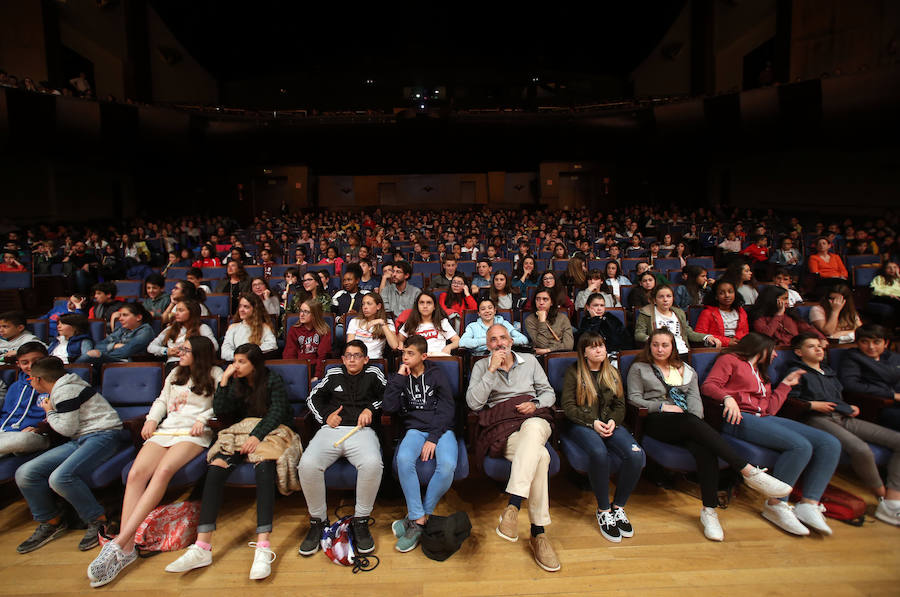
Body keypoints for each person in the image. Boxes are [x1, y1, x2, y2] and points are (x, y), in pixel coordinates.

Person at [626, 329, 792, 541]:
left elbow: (695, 402)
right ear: (649, 346)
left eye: (665, 345)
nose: (659, 349)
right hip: (657, 420)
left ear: (673, 348)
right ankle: (748, 470)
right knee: (692, 424)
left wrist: (694, 423)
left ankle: (709, 511)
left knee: (704, 448)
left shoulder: (685, 370)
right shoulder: (639, 368)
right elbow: (634, 398)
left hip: (687, 423)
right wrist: (660, 406)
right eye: (655, 344)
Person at [86, 337, 223, 587]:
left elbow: (220, 404)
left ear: (200, 354)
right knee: (137, 473)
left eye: (185, 350)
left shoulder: (215, 373)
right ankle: (126, 547)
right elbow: (161, 401)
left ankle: (119, 542)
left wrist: (204, 418)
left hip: (192, 434)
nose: (179, 352)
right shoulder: (175, 372)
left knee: (163, 472)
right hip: (166, 429)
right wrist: (151, 419)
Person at [165, 344, 292, 580]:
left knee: (263, 466)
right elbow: (222, 413)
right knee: (216, 467)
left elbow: (278, 411)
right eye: (234, 361)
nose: (236, 366)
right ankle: (202, 546)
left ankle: (263, 546)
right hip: (240, 432)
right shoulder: (236, 382)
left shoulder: (272, 380)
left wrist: (257, 435)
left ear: (255, 363)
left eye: (241, 362)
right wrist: (223, 381)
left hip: (269, 430)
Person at [701, 333, 842, 536]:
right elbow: (709, 385)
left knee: (829, 443)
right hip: (738, 417)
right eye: (772, 349)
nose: (776, 354)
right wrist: (728, 398)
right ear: (760, 347)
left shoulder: (763, 373)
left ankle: (810, 503)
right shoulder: (729, 360)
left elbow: (770, 410)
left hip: (763, 418)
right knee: (800, 445)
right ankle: (776, 504)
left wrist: (785, 385)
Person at [465, 324, 559, 573]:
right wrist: (491, 372)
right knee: (541, 456)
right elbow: (474, 403)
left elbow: (549, 393)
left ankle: (514, 506)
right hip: (504, 427)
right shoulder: (480, 366)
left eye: (502, 338)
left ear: (511, 340)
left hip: (534, 419)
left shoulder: (529, 361)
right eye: (493, 340)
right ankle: (538, 534)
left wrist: (535, 403)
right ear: (488, 346)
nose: (499, 343)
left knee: (533, 428)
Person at [788, 332, 900, 527]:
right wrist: (811, 405)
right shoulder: (796, 372)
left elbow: (838, 396)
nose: (818, 349)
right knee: (860, 448)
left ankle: (893, 496)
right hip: (816, 418)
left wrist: (848, 406)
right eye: (811, 346)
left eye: (820, 347)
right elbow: (790, 401)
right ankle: (884, 498)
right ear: (799, 352)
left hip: (842, 416)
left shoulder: (828, 371)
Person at [14, 356, 123, 553]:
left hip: (104, 435)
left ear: (38, 379)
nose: (30, 382)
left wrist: (49, 412)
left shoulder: (66, 390)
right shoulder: (62, 387)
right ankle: (51, 521)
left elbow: (65, 427)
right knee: (26, 473)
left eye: (30, 379)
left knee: (60, 478)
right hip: (80, 439)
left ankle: (98, 521)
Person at [298, 340, 386, 557]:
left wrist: (370, 409)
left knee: (373, 463)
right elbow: (312, 398)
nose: (352, 359)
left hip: (361, 431)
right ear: (343, 358)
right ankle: (318, 521)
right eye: (348, 355)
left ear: (366, 359)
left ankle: (361, 520)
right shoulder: (333, 373)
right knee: (307, 465)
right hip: (332, 430)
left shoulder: (374, 373)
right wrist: (325, 417)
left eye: (357, 355)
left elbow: (389, 395)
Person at [561, 332, 644, 542]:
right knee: (599, 453)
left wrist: (613, 421)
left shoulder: (613, 372)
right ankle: (604, 510)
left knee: (636, 455)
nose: (599, 350)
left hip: (610, 424)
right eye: (593, 347)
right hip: (583, 424)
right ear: (584, 352)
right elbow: (568, 407)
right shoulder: (574, 372)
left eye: (601, 346)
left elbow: (620, 404)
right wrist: (592, 423)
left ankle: (619, 507)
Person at [382, 335, 458, 552]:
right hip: (414, 429)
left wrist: (433, 438)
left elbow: (447, 408)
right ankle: (419, 518)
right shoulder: (400, 376)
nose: (405, 357)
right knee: (404, 459)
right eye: (404, 352)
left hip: (441, 429)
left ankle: (418, 518)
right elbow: (388, 406)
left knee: (448, 466)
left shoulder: (436, 374)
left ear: (423, 356)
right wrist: (397, 378)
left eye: (410, 353)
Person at [838, 324, 900, 431]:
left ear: (886, 343)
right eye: (864, 342)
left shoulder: (893, 357)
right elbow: (850, 385)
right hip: (877, 405)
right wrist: (892, 395)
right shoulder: (853, 357)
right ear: (857, 343)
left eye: (876, 342)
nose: (871, 347)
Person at [635, 285, 720, 356]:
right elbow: (638, 334)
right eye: (661, 297)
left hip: (682, 351)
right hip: (661, 354)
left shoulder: (679, 313)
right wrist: (653, 340)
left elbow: (688, 333)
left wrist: (706, 337)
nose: (665, 300)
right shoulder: (646, 313)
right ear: (654, 300)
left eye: (669, 296)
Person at [0, 343, 51, 456]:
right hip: (6, 432)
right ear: (18, 364)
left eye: (37, 361)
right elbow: (5, 414)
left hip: (35, 435)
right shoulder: (15, 386)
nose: (31, 366)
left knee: (22, 440)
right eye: (25, 363)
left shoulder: (54, 384)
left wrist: (40, 429)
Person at [147, 300, 218, 372]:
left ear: (192, 312)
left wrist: (185, 350)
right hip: (171, 365)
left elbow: (214, 347)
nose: (176, 314)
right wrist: (166, 351)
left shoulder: (202, 328)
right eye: (176, 310)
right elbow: (151, 347)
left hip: (193, 365)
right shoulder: (170, 328)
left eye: (181, 311)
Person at [77, 303, 154, 366]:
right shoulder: (121, 329)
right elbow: (99, 345)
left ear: (138, 317)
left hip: (128, 364)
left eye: (125, 315)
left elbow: (125, 352)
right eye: (120, 315)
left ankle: (71, 371)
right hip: (110, 361)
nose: (120, 319)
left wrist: (103, 353)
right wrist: (114, 346)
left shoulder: (145, 331)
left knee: (93, 354)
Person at [751, 286, 825, 345]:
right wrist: (779, 315)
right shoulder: (760, 318)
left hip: (796, 349)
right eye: (784, 299)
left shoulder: (790, 313)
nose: (787, 302)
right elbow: (765, 336)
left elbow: (807, 328)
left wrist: (822, 338)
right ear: (773, 300)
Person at [284, 299, 333, 381]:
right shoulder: (294, 330)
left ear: (315, 314)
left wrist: (317, 376)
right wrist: (293, 373)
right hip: (299, 367)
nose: (301, 315)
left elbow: (323, 355)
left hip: (317, 367)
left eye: (306, 312)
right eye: (301, 311)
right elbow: (290, 354)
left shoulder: (324, 331)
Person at [221, 293, 277, 361]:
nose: (241, 310)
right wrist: (241, 357)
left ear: (255, 309)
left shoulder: (264, 327)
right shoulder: (233, 328)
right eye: (240, 306)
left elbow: (272, 345)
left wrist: (249, 355)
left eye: (246, 307)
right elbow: (224, 352)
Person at [460, 298, 528, 353]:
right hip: (482, 357)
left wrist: (507, 341)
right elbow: (462, 342)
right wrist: (488, 340)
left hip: (504, 355)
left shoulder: (504, 323)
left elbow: (524, 339)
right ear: (479, 313)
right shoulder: (472, 326)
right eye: (483, 309)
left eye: (490, 308)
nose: (487, 311)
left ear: (495, 311)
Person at [695, 279, 749, 347]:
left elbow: (745, 333)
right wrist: (727, 342)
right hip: (717, 348)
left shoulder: (741, 311)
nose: (727, 295)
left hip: (739, 346)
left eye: (730, 292)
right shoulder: (707, 313)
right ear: (716, 296)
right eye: (721, 293)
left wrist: (739, 341)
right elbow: (700, 335)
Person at [346, 292, 399, 359]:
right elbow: (350, 347)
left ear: (378, 306)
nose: (365, 307)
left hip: (375, 361)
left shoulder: (387, 322)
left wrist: (381, 323)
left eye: (369, 304)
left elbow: (394, 346)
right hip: (356, 360)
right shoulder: (355, 321)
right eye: (363, 304)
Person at [525, 289, 574, 355]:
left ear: (552, 302)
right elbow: (542, 345)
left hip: (561, 354)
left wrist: (548, 350)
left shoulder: (563, 318)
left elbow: (569, 346)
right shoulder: (530, 320)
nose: (541, 302)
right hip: (541, 356)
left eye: (545, 299)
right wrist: (542, 321)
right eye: (538, 299)